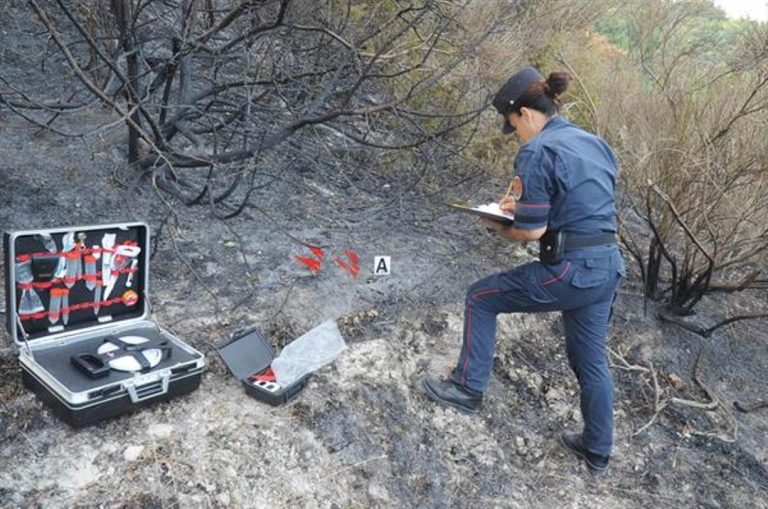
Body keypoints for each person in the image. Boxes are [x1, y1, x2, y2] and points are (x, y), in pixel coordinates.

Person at [423, 67, 625, 475]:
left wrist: (498, 224)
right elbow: (582, 201)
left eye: (512, 125)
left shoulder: (536, 151)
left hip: (571, 269)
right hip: (608, 266)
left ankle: (466, 388)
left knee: (481, 297)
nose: (515, 133)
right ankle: (597, 449)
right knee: (590, 360)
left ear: (526, 114)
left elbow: (531, 231)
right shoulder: (594, 143)